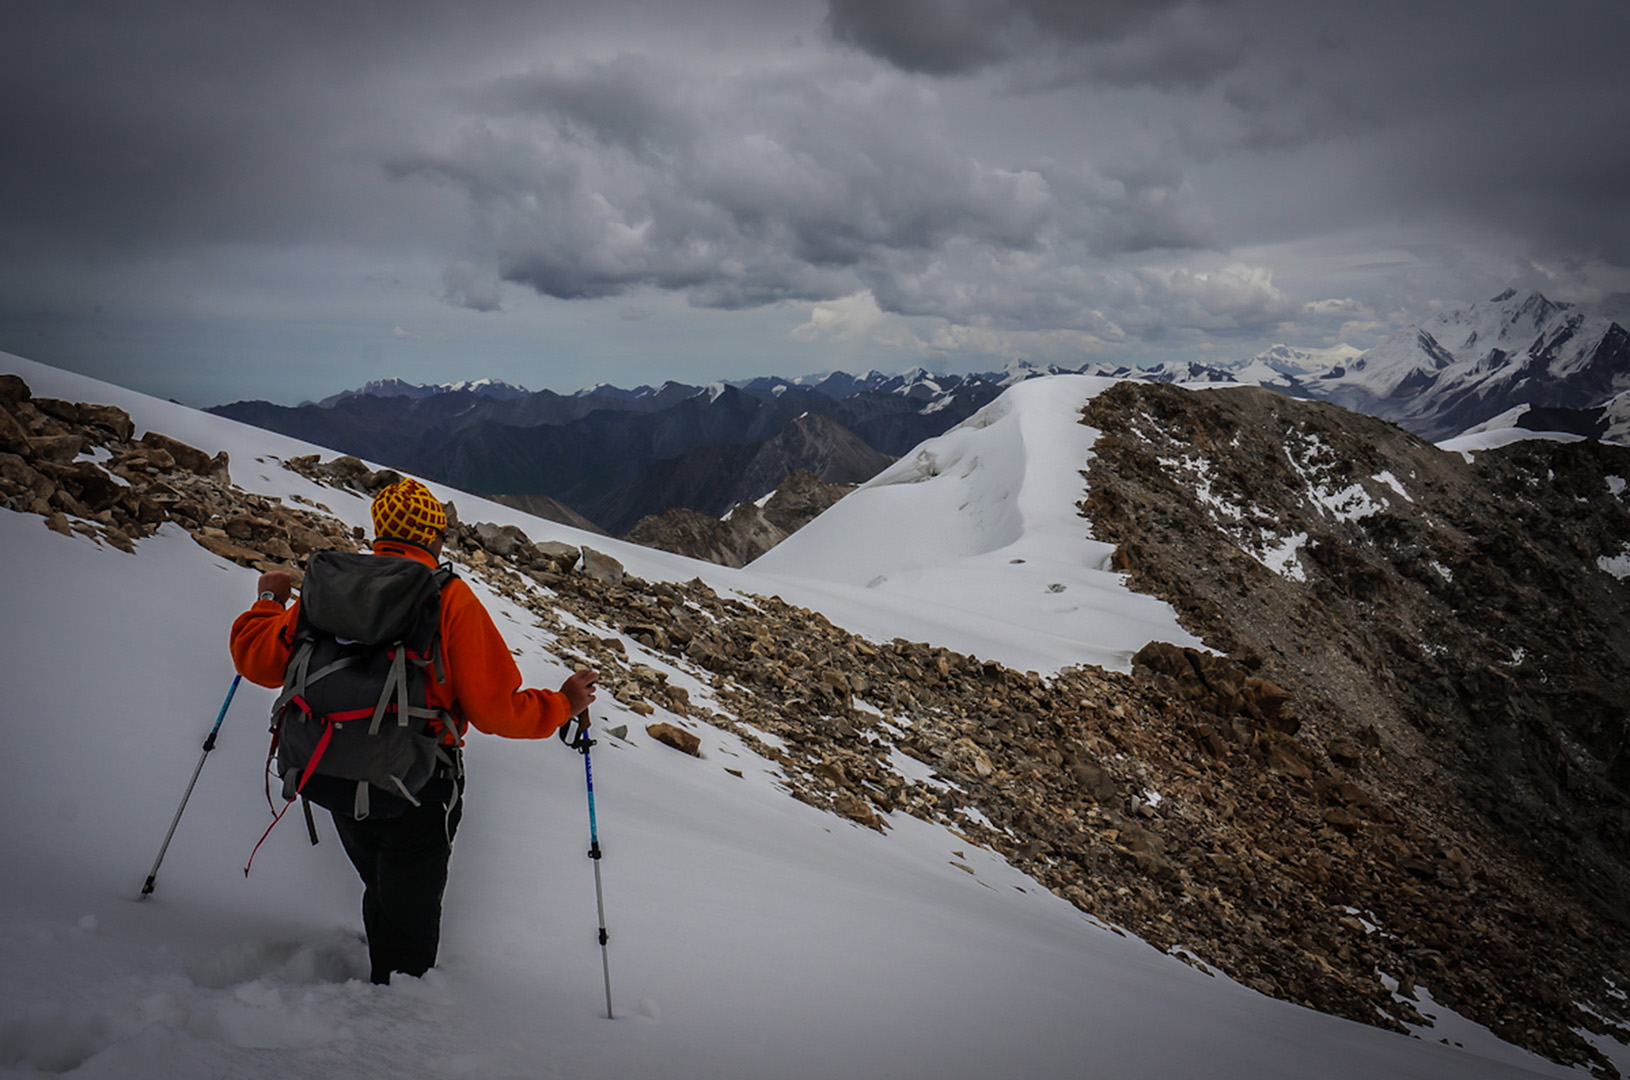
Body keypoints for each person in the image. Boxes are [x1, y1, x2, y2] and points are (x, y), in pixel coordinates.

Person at [230, 477, 597, 984]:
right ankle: (390, 1023)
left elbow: (258, 661)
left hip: (330, 769)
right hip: (415, 785)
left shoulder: (331, 584)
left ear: (380, 529)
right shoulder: (447, 598)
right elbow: (496, 711)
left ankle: (381, 968)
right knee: (409, 932)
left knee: (381, 884)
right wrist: (563, 703)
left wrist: (269, 604)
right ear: (435, 537)